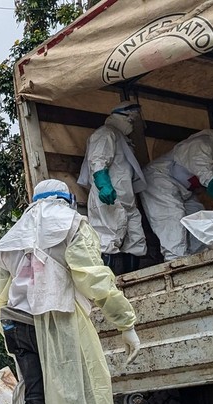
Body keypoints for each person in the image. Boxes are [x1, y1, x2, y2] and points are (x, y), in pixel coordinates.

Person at [0, 179, 142, 404]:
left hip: (17, 322)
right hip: (58, 320)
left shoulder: (12, 236)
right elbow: (93, 277)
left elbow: (4, 288)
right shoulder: (72, 224)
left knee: (36, 400)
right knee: (75, 397)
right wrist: (125, 322)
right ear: (66, 200)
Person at [141, 120, 213, 260]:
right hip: (160, 179)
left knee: (197, 217)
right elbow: (207, 175)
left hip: (184, 189)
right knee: (171, 216)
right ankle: (175, 259)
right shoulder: (201, 144)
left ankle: (198, 257)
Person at [77, 101, 147, 275]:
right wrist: (104, 185)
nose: (132, 123)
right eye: (130, 119)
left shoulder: (122, 138)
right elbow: (98, 159)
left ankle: (132, 281)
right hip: (109, 196)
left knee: (135, 240)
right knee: (108, 237)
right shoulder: (105, 133)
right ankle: (109, 282)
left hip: (126, 198)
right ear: (120, 116)